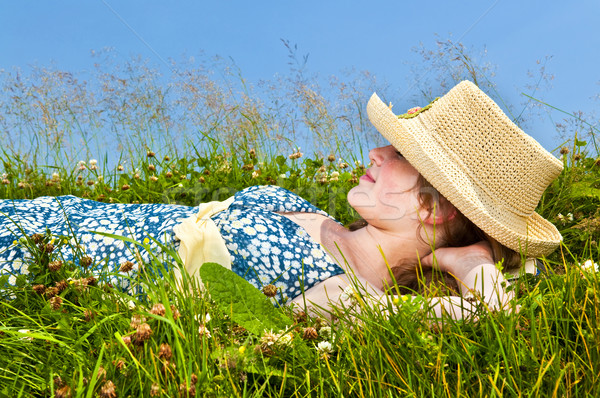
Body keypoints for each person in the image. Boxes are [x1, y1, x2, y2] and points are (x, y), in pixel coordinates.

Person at [0, 81, 563, 319]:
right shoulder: (299, 205)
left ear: (433, 208)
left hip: (36, 262)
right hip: (52, 215)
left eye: (400, 156)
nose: (374, 153)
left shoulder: (347, 295)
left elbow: (491, 312)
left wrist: (472, 262)